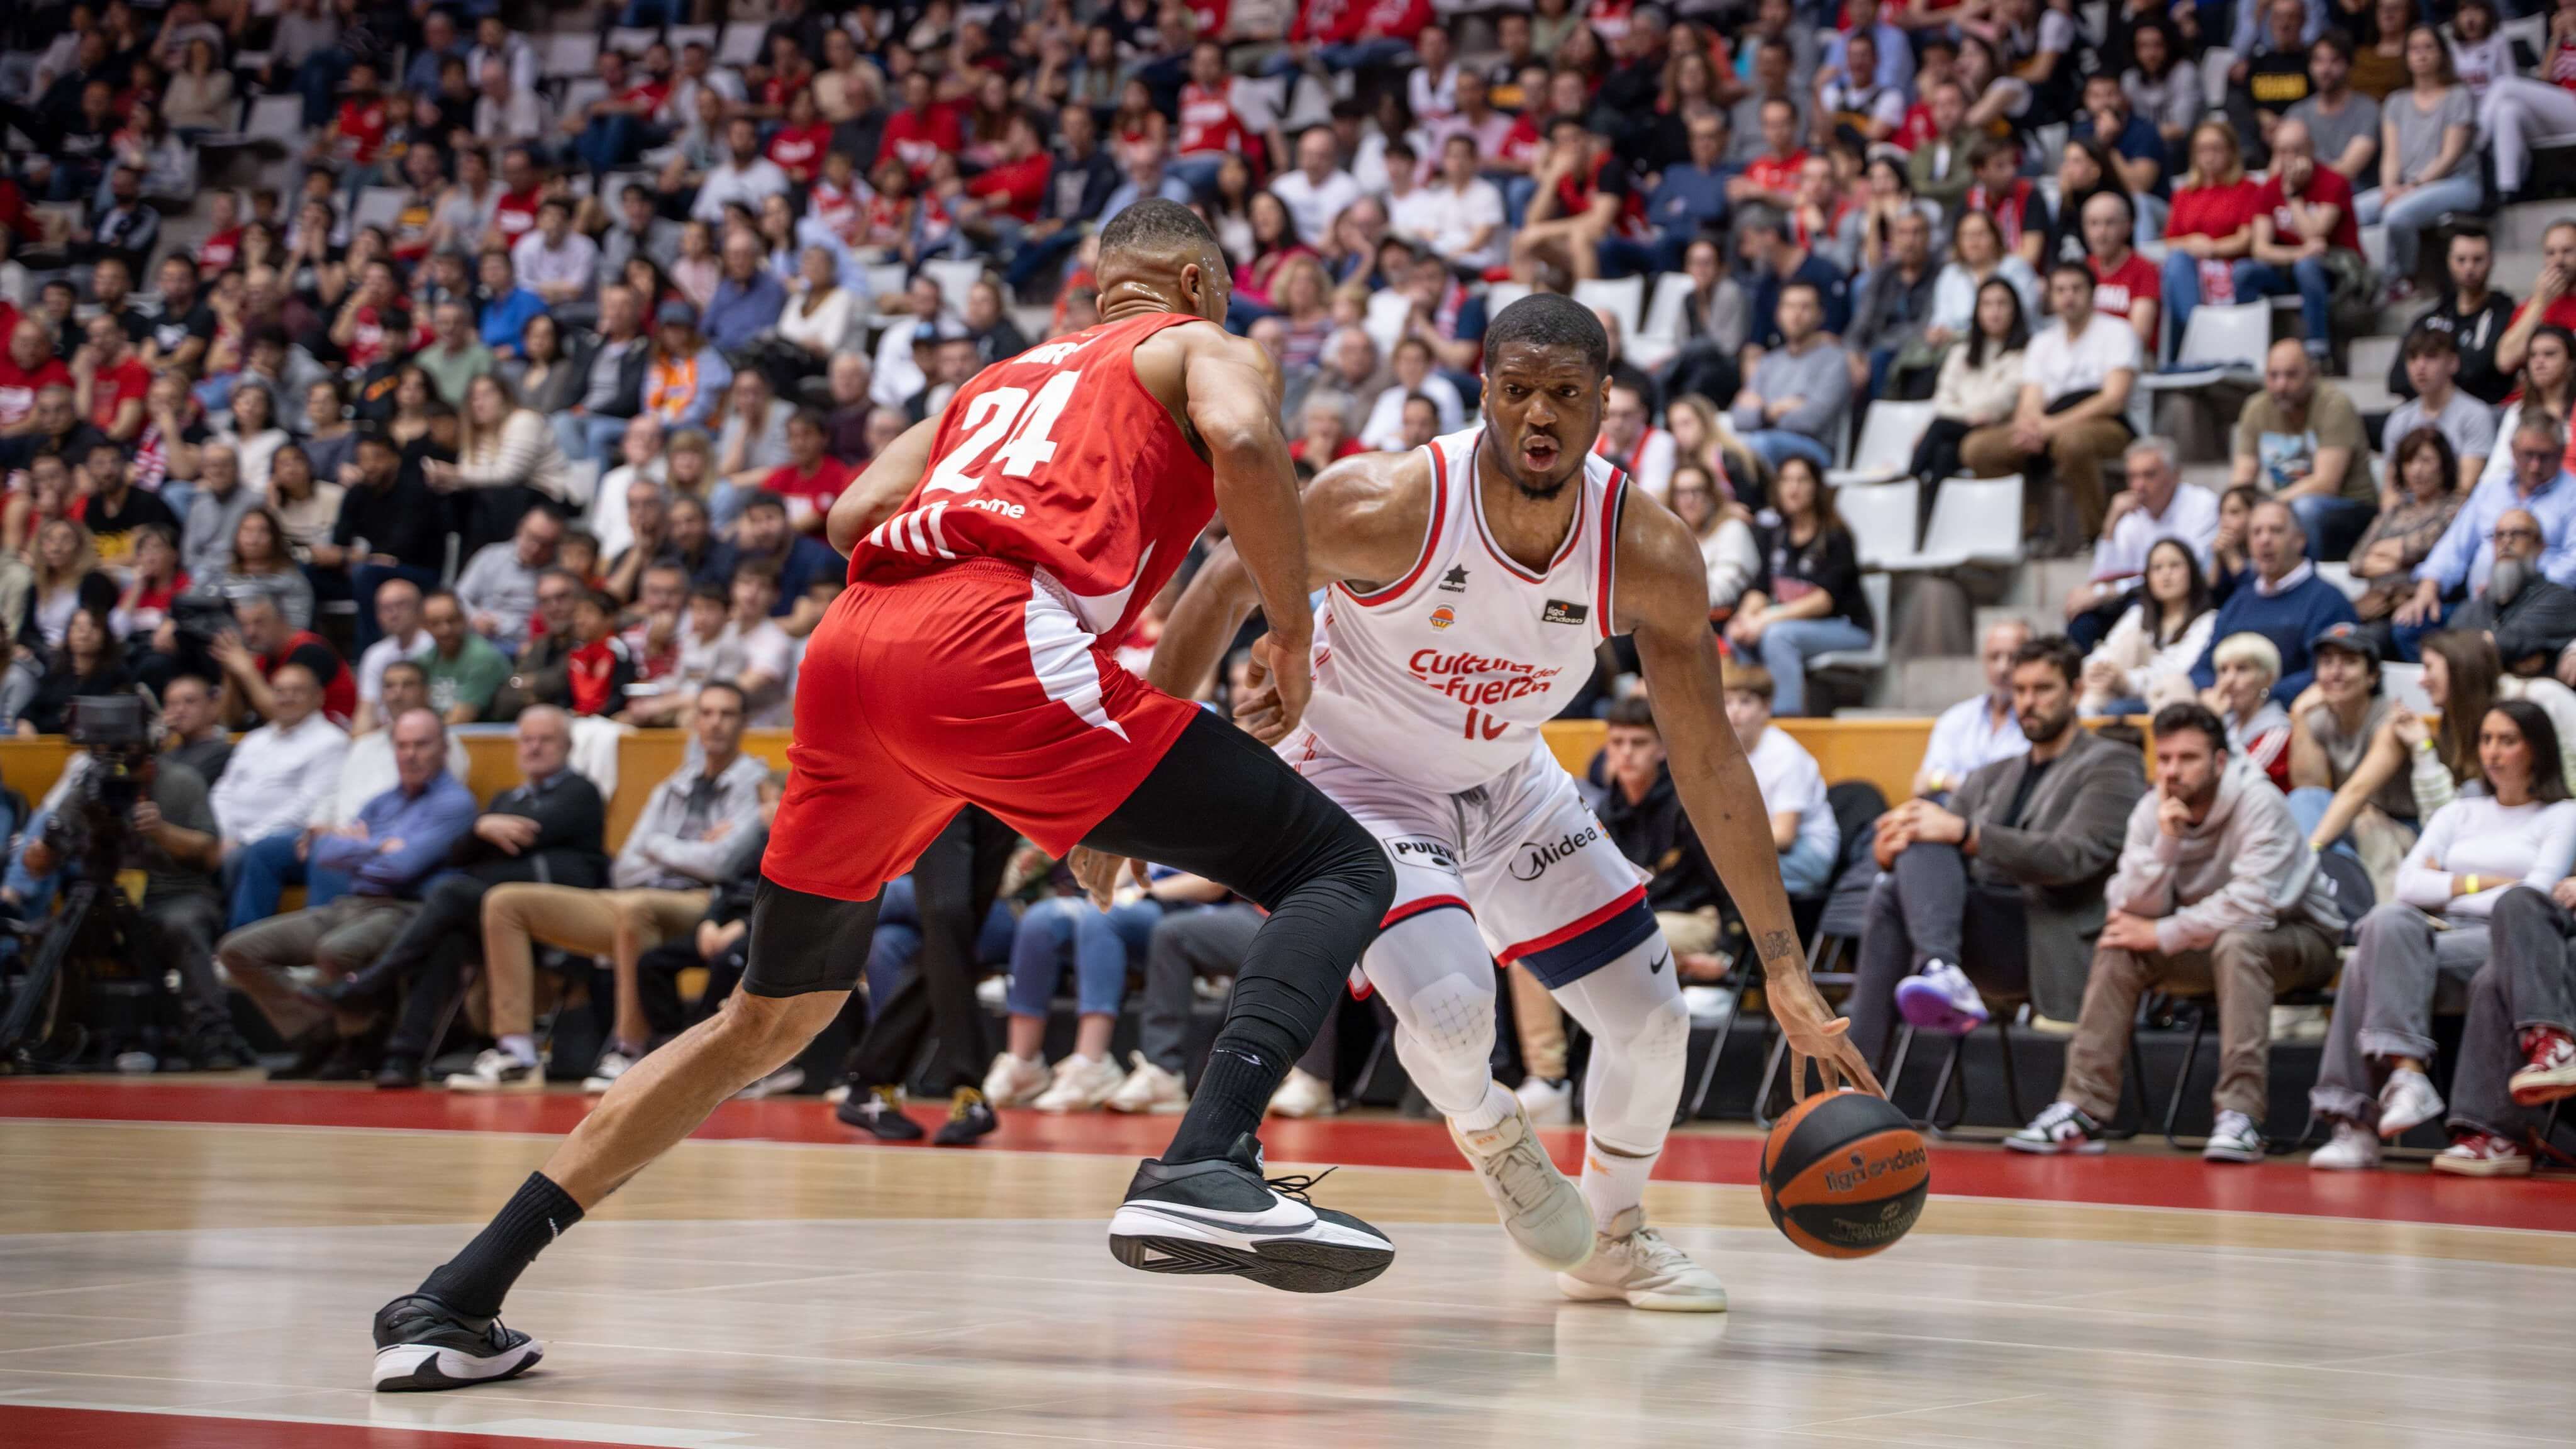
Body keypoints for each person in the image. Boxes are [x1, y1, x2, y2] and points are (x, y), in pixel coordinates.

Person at [371, 201, 1430, 1387]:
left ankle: (455, 1297)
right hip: (992, 641)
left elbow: (847, 516)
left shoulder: (994, 383)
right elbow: (1242, 438)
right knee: (1339, 865)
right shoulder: (1196, 344)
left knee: (767, 1018)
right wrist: (1288, 629)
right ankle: (1207, 1160)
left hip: (854, 650)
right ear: (1194, 283)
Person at [1143, 291, 1872, 1314]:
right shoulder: (1388, 500)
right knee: (1452, 1014)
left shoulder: (1647, 549)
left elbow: (1710, 761)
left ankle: (1612, 1236)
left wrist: (1784, 964)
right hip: (1362, 780)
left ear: (1605, 402)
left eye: (1565, 394)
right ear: (1483, 391)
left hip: (1511, 780)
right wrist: (1134, 778)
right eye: (1519, 389)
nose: (1540, 414)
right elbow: (1223, 585)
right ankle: (1492, 1130)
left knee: (1655, 1024)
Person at [2007, 701, 2345, 1160]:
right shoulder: (2152, 809)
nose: (2172, 771)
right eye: (2164, 758)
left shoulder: (2259, 802)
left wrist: (2163, 933)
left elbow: (2254, 905)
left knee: (2239, 942)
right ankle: (2080, 1110)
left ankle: (2240, 1116)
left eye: (2187, 758)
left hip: (2301, 939)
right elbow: (2127, 907)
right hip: (2209, 942)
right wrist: (2166, 845)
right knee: (2120, 945)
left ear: (2220, 761)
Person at [2307, 699, 2576, 1171]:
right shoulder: (2458, 812)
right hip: (2440, 932)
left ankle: (2356, 1118)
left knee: (2366, 961)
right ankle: (2406, 1078)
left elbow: (2534, 896)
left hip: (2511, 941)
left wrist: (2448, 883)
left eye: (2507, 741)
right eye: (2486, 740)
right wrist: (2483, 883)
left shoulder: (2561, 814)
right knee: (2386, 922)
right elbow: (2408, 885)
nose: (2493, 752)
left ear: (2536, 749)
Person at [1854, 636, 2149, 1052]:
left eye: (2043, 689)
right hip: (1982, 929)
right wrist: (1889, 851)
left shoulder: (2113, 762)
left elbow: (2073, 858)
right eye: (2020, 690)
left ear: (2076, 692)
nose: (2028, 702)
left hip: (2050, 934)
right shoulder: (1991, 774)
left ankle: (1924, 989)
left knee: (1921, 854)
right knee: (1901, 871)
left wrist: (1967, 835)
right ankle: (1927, 988)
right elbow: (1938, 842)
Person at [480, 683, 769, 1094]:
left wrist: (658, 846)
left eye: (726, 714)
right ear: (694, 721)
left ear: (744, 723)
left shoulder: (756, 787)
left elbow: (721, 865)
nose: (715, 724)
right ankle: (516, 1052)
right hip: (636, 894)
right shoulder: (673, 784)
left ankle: (630, 1049)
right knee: (505, 902)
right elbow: (626, 866)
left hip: (703, 902)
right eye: (706, 713)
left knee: (635, 910)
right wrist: (684, 849)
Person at [214, 708, 477, 1080]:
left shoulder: (454, 803)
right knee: (238, 950)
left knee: (337, 950)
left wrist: (358, 848)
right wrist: (380, 847)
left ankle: (354, 1042)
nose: (411, 755)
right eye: (403, 746)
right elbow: (326, 855)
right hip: (351, 903)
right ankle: (320, 1034)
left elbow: (401, 869)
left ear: (444, 748)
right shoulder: (383, 801)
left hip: (403, 908)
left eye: (422, 745)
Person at [1960, 263, 2140, 549]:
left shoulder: (2117, 331)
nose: (2068, 297)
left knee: (2072, 442)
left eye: (2076, 289)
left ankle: (2097, 535)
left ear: (2093, 293)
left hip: (2107, 425)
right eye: (2060, 290)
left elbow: (2113, 399)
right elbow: (2030, 399)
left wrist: (2052, 427)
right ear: (2051, 297)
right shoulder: (2043, 342)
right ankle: (2028, 532)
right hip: (2047, 425)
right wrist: (2030, 428)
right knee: (1978, 447)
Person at [2398, 413, 2576, 653]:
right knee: (2409, 628)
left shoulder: (2572, 494)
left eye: (2545, 456)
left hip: (2540, 603)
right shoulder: (2491, 489)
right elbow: (2454, 546)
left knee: (2491, 644)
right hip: (2481, 605)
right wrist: (2430, 585)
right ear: (2512, 450)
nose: (2535, 466)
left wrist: (2518, 583)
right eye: (2528, 455)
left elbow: (2573, 562)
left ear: (2562, 452)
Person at [1725, 455, 1874, 718]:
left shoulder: (1836, 536)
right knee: (1738, 635)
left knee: (1777, 636)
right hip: (1790, 624)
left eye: (1802, 480)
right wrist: (1745, 619)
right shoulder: (1775, 534)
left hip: (1846, 626)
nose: (1793, 488)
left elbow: (1823, 601)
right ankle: (1750, 716)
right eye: (1787, 480)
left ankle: (1787, 721)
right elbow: (1760, 588)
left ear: (1816, 487)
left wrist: (1765, 619)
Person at [2187, 499, 2357, 704]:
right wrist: (2211, 691)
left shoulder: (2327, 600)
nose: (2265, 540)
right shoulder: (2240, 600)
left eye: (2276, 531)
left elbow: (2330, 673)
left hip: (2289, 711)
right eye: (2256, 532)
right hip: (2228, 707)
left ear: (2300, 540)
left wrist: (2261, 695)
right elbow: (2203, 667)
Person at [2068, 436, 2221, 649]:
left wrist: (2111, 590)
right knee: (2082, 620)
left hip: (2185, 598)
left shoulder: (2202, 504)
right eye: (2132, 476)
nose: (2139, 486)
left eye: (2149, 475)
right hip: (2136, 596)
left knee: (2137, 606)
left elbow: (2192, 572)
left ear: (2175, 475)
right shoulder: (2130, 514)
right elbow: (2101, 577)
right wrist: (2111, 522)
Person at [2231, 340, 2377, 562]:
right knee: (2234, 514)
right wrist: (2235, 510)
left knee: (2304, 509)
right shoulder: (2256, 408)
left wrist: (2268, 506)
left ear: (2312, 374)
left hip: (2350, 508)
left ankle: (2306, 580)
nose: (2281, 385)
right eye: (2273, 376)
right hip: (2288, 504)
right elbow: (2242, 480)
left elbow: (2325, 484)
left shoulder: (2334, 405)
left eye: (2291, 375)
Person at [2362, 25, 2480, 297]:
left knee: (2396, 215)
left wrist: (2412, 187)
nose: (2422, 54)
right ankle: (2363, 280)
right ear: (2406, 57)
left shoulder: (2458, 95)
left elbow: (2450, 156)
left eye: (2429, 47)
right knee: (2352, 211)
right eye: (2415, 49)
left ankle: (2402, 280)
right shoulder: (2395, 102)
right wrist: (2390, 188)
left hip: (2458, 183)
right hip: (2407, 187)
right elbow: (2391, 156)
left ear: (2442, 54)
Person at [2236, 119, 2363, 361]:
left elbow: (2314, 235)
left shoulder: (2333, 182)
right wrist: (2298, 254)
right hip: (2291, 268)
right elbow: (2260, 249)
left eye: (2297, 150)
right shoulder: (2268, 190)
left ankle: (2318, 351)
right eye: (2283, 151)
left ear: (2311, 149)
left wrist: (2293, 196)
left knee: (2307, 267)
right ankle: (2248, 352)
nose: (2290, 158)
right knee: (2244, 272)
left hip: (2336, 271)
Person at [2081, 538, 2220, 716]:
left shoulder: (2208, 620)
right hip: (2124, 689)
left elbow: (2181, 671)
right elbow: (2109, 651)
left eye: (2175, 566)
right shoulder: (2138, 614)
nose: (2166, 574)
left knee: (2171, 684)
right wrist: (2098, 670)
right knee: (2130, 641)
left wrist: (2126, 681)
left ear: (2192, 572)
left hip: (2171, 698)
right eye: (2157, 568)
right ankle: (2087, 714)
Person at [2157, 122, 2262, 351]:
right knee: (2176, 263)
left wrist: (2211, 249)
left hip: (2233, 266)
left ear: (2231, 151)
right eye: (2203, 149)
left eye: (2216, 148)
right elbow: (2170, 242)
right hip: (2192, 271)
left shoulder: (2248, 189)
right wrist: (2191, 243)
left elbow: (2247, 238)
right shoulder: (2184, 194)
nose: (2209, 156)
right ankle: (2197, 332)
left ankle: (2200, 340)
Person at [2391, 228, 2517, 408]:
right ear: (2449, 261)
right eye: (2461, 260)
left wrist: (2436, 378)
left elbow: (2481, 372)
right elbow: (2397, 380)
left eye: (2478, 259)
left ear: (2491, 261)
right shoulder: (2430, 318)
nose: (2469, 268)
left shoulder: (2504, 312)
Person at [1915, 620, 2035, 798]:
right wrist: (1942, 781)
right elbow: (1921, 784)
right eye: (1994, 657)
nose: (2002, 668)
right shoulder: (1957, 717)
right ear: (1984, 661)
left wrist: (1949, 782)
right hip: (1947, 810)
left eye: (2013, 657)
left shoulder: (2039, 721)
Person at [2380, 330, 2497, 492]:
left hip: (2454, 505)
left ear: (2453, 363)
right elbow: (2390, 490)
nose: (2420, 367)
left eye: (2431, 357)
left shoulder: (2476, 415)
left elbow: (2465, 489)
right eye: (2413, 358)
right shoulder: (2399, 418)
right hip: (2409, 505)